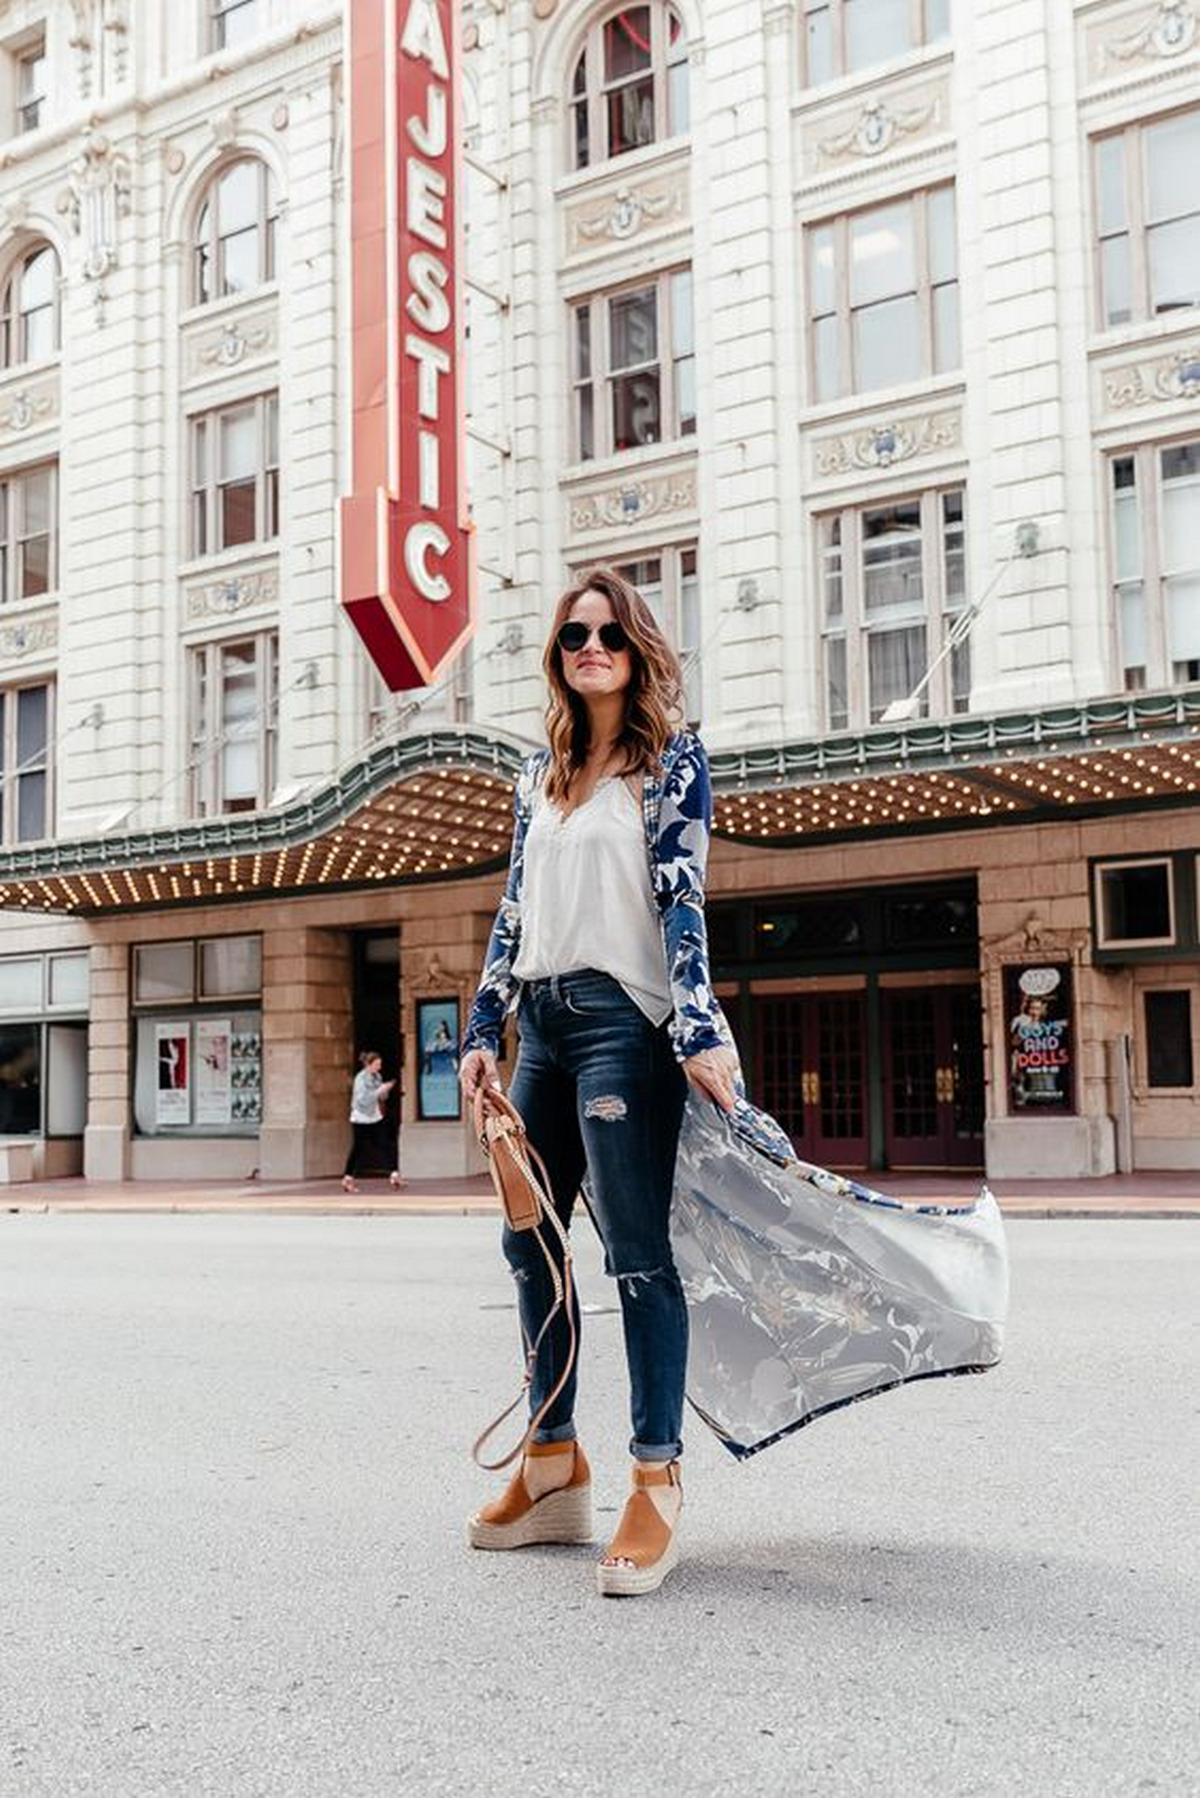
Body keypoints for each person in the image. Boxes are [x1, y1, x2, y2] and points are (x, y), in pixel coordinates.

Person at [459, 566, 740, 1597]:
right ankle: (550, 1465)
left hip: (628, 1025)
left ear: (638, 649)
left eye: (609, 634)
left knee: (634, 1256)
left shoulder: (672, 764)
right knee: (527, 1240)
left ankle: (655, 1478)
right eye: (574, 633)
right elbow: (513, 908)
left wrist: (700, 1028)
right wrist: (484, 1023)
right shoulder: (537, 773)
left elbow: (683, 903)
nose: (590, 647)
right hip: (544, 1027)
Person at [342, 1050, 404, 1194]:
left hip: (374, 1116)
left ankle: (394, 1174)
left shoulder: (377, 1076)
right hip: (361, 1117)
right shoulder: (360, 1079)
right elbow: (363, 1099)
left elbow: (380, 1097)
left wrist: (385, 1090)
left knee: (385, 1144)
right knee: (358, 1149)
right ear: (369, 1065)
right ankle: (348, 1178)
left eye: (380, 1064)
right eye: (377, 1064)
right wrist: (380, 1090)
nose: (379, 1067)